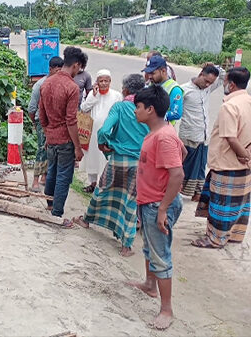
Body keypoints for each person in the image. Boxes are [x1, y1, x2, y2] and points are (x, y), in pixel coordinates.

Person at [71, 74, 148, 256]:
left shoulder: (120, 107)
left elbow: (104, 131)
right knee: (130, 202)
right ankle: (126, 245)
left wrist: (107, 147)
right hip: (139, 164)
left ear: (126, 90)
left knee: (103, 191)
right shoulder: (147, 110)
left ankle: (87, 220)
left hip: (118, 159)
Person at [127, 86, 185, 331]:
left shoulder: (163, 137)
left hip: (157, 205)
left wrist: (162, 209)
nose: (135, 111)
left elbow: (177, 174)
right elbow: (182, 152)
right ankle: (150, 285)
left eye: (138, 107)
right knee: (150, 248)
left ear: (150, 109)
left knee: (161, 255)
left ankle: (166, 309)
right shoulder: (160, 132)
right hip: (149, 201)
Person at [192, 67, 251, 249]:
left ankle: (215, 239)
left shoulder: (229, 106)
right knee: (239, 204)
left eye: (225, 81)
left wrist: (244, 155)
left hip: (228, 163)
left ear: (231, 84)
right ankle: (234, 235)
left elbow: (230, 137)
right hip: (243, 165)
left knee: (221, 205)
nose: (223, 84)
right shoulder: (248, 101)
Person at [39, 46, 86, 222]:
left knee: (52, 170)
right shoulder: (72, 87)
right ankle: (57, 214)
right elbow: (71, 120)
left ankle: (50, 203)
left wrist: (47, 134)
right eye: (78, 69)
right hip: (65, 139)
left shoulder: (46, 83)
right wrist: (78, 147)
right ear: (76, 65)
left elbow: (41, 115)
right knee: (63, 176)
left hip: (51, 137)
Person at [179, 64, 224, 201]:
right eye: (206, 81)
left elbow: (222, 76)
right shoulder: (183, 90)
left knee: (201, 166)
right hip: (188, 135)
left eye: (210, 82)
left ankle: (197, 194)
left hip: (203, 135)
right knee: (185, 165)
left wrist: (214, 66)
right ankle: (176, 190)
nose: (207, 84)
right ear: (200, 74)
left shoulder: (207, 89)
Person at [79, 69, 123, 192]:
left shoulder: (116, 95)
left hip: (108, 133)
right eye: (101, 81)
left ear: (110, 81)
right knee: (92, 158)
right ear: (97, 82)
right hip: (93, 134)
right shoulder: (93, 94)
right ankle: (93, 184)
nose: (103, 83)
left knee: (104, 159)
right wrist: (93, 96)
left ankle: (102, 185)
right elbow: (84, 108)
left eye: (106, 81)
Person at [27, 56, 64, 192]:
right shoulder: (40, 85)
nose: (59, 73)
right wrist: (37, 122)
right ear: (50, 69)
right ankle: (35, 180)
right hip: (42, 122)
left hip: (55, 122)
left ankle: (45, 176)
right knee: (42, 149)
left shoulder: (61, 84)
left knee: (52, 150)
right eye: (57, 70)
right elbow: (31, 108)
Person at [143, 55, 183, 124]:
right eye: (148, 73)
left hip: (164, 129)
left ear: (163, 71)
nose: (149, 76)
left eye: (153, 73)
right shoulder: (150, 84)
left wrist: (153, 117)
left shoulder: (174, 89)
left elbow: (176, 114)